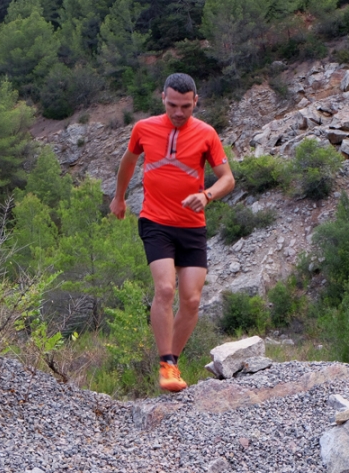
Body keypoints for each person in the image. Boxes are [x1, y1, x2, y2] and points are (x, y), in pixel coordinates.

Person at [110, 73, 235, 392]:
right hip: (155, 221)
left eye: (185, 106)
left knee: (191, 299)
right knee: (165, 290)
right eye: (172, 105)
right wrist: (120, 197)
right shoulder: (144, 128)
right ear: (162, 98)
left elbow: (227, 179)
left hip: (192, 225)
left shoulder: (207, 134)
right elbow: (128, 161)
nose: (178, 113)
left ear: (196, 102)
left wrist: (207, 194)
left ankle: (172, 363)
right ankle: (166, 363)